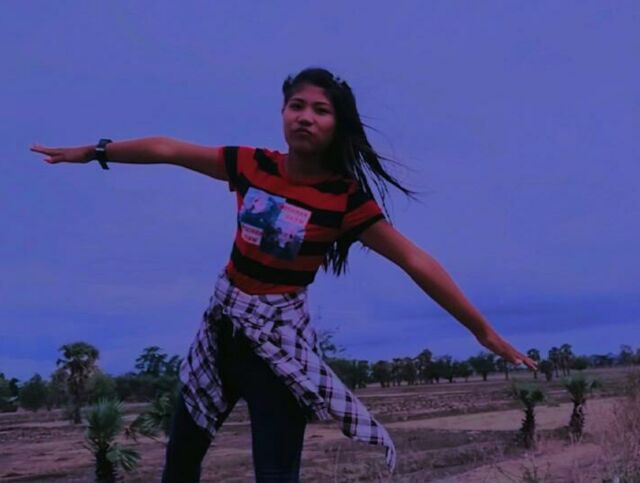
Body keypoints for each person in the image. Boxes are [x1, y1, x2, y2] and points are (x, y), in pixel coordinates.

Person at [31, 67, 538, 482]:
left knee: (276, 476)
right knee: (179, 466)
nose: (306, 117)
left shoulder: (344, 199)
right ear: (282, 113)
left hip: (278, 349)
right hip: (220, 335)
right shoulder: (252, 165)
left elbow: (414, 260)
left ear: (336, 125)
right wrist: (96, 152)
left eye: (321, 110)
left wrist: (483, 331)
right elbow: (168, 149)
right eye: (297, 106)